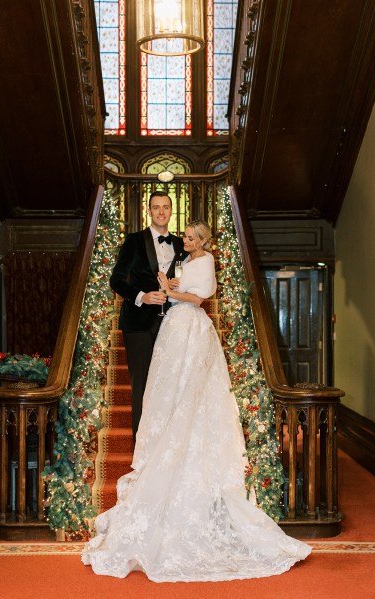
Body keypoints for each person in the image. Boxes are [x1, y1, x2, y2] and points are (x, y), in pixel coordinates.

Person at [82, 220, 311, 582]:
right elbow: (171, 284)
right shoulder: (185, 260)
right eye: (184, 235)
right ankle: (167, 434)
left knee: (191, 389)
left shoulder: (204, 261)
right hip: (172, 326)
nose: (183, 239)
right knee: (164, 389)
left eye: (189, 236)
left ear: (201, 240)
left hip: (189, 325)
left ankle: (184, 438)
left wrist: (172, 293)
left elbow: (201, 297)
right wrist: (168, 286)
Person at [109, 191, 185, 439]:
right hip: (138, 322)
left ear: (171, 211)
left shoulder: (181, 244)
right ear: (148, 211)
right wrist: (142, 296)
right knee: (141, 381)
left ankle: (164, 441)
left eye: (165, 207)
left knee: (169, 381)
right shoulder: (133, 241)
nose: (161, 212)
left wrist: (178, 286)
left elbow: (188, 279)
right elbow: (117, 280)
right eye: (156, 207)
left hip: (173, 320)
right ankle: (140, 444)